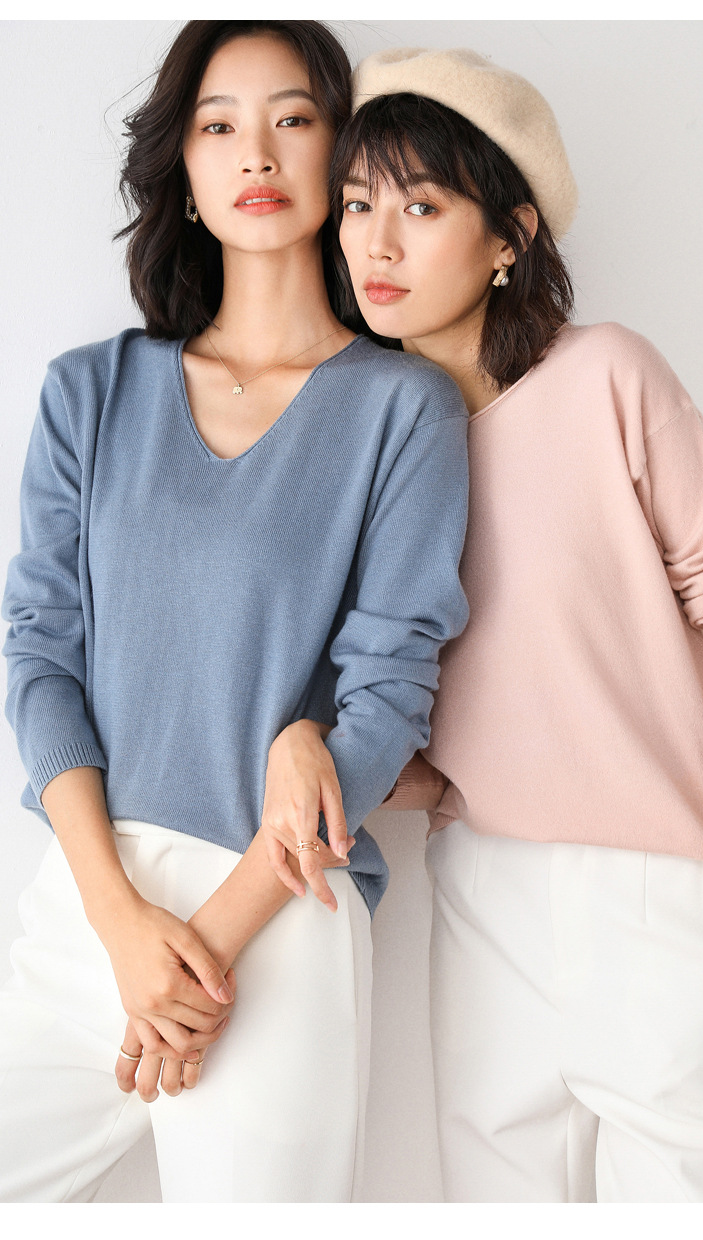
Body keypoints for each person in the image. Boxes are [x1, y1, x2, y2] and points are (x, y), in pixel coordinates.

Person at [260, 47, 703, 1203]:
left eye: (420, 207)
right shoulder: (366, 458)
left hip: (666, 893)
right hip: (483, 897)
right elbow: (419, 714)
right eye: (356, 205)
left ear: (510, 236)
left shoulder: (606, 379)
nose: (375, 244)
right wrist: (306, 742)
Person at [0, 25, 468, 1203]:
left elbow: (388, 698)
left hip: (278, 910)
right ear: (186, 166)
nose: (255, 151)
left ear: (339, 151)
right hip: (87, 899)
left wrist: (205, 947)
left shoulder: (404, 409)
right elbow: (39, 654)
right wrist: (119, 922)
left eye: (293, 118)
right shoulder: (88, 391)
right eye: (219, 124)